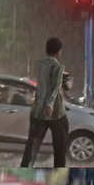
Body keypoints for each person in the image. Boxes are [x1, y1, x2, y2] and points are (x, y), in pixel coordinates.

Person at [21, 37, 69, 168]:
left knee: (32, 146)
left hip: (38, 110)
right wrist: (50, 104)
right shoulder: (58, 66)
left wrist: (43, 104)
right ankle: (59, 173)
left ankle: (25, 170)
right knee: (60, 146)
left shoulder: (39, 64)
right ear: (59, 51)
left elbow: (42, 86)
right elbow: (55, 88)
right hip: (56, 113)